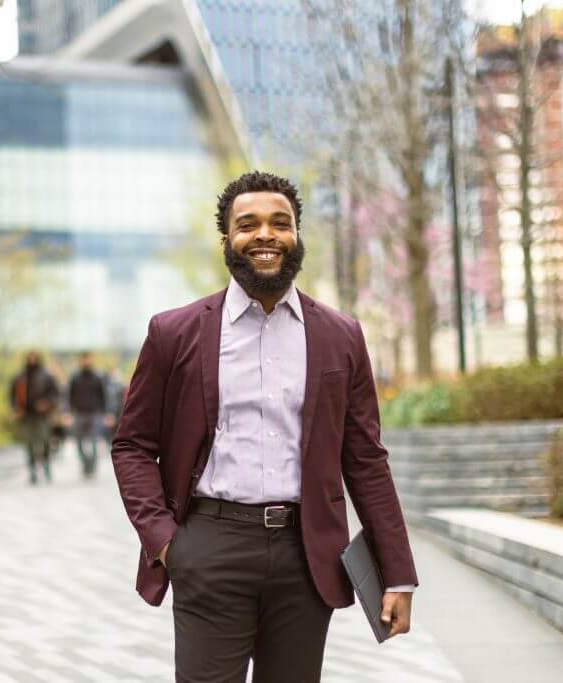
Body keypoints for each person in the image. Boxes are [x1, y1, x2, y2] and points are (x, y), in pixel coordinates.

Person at [111, 171, 417, 682]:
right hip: (210, 545)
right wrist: (166, 541)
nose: (266, 235)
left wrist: (398, 573)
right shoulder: (175, 333)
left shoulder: (341, 336)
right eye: (248, 224)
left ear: (298, 236)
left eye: (281, 223)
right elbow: (132, 445)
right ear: (227, 239)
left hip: (307, 557)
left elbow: (365, 459)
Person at [10, 351, 60, 485]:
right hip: (26, 416)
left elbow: (55, 395)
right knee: (29, 444)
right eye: (30, 357)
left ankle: (46, 466)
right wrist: (16, 409)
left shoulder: (47, 377)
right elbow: (12, 396)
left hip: (42, 416)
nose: (32, 360)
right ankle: (32, 470)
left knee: (45, 441)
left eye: (34, 358)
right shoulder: (20, 377)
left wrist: (47, 404)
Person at [68, 352, 107, 477]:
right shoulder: (75, 377)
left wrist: (107, 413)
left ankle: (93, 466)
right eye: (83, 359)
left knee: (95, 441)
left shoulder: (97, 377)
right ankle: (85, 463)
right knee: (78, 441)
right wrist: (68, 412)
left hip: (94, 413)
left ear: (90, 360)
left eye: (87, 359)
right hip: (79, 413)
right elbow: (69, 396)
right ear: (81, 361)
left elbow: (103, 396)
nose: (85, 362)